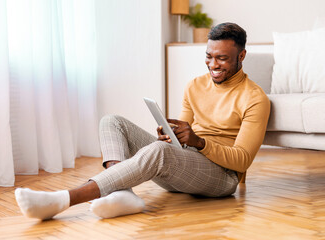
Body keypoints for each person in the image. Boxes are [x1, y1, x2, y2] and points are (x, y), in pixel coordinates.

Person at [15, 22, 270, 220]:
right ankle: (121, 194)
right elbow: (181, 137)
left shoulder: (255, 98)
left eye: (222, 58)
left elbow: (242, 160)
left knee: (160, 152)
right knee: (112, 121)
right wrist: (171, 135)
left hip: (220, 178)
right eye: (209, 56)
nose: (213, 65)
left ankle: (63, 199)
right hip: (185, 162)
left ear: (242, 55)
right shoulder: (195, 85)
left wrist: (199, 143)